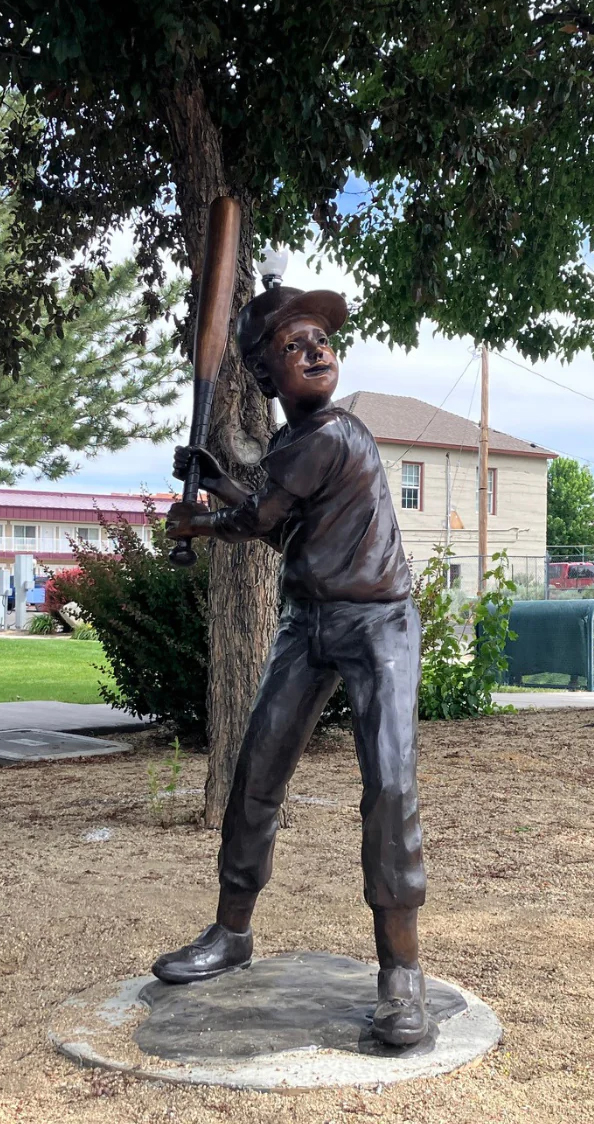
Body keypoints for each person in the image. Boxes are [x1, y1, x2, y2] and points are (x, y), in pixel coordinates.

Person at [154, 285, 427, 1047]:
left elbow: (258, 520)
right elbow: (286, 534)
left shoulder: (333, 434)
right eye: (292, 344)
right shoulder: (292, 449)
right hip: (309, 620)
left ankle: (401, 974)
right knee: (256, 773)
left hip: (379, 625)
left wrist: (201, 518)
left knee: (390, 786)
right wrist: (217, 483)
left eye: (321, 338)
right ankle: (231, 933)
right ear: (267, 377)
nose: (315, 348)